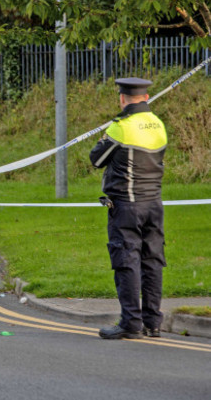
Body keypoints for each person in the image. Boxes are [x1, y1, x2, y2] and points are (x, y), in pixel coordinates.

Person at [89, 77, 168, 340]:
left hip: (127, 205)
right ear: (146, 98)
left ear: (122, 98)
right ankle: (153, 323)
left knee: (127, 261)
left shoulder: (120, 128)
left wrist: (109, 134)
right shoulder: (158, 123)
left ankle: (131, 323)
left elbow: (97, 159)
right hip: (154, 203)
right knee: (152, 261)